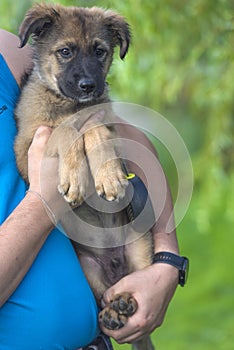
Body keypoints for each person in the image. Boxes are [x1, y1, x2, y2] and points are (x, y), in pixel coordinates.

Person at [0, 28, 180, 349]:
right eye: (66, 53)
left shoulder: (7, 51)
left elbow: (129, 139)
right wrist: (45, 202)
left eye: (99, 53)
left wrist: (167, 259)